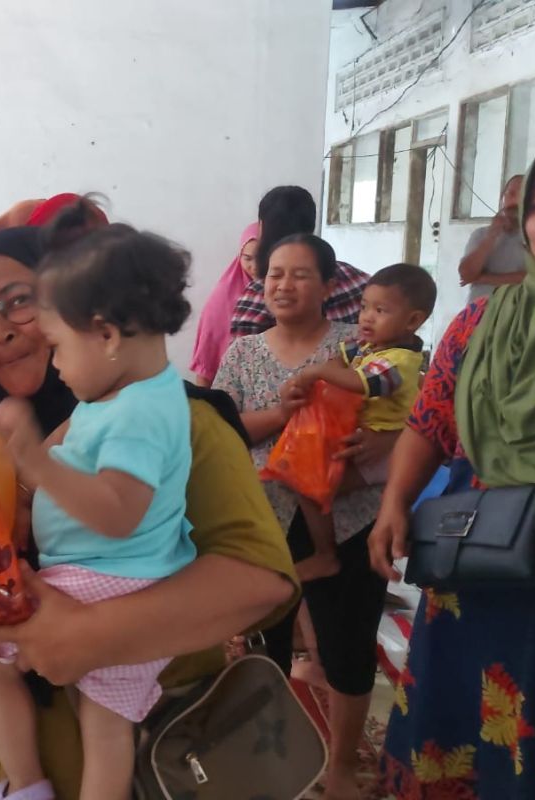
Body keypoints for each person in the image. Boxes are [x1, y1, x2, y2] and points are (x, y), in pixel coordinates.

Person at [0, 210, 299, 800]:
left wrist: (90, 634)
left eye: (20, 303)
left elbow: (263, 581)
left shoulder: (178, 420)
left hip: (130, 756)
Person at [0, 211, 197, 800]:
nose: (53, 364)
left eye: (56, 347)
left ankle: (26, 788)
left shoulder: (138, 414)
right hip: (118, 581)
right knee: (102, 727)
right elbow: (75, 452)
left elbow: (118, 512)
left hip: (107, 584)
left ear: (104, 334)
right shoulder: (128, 393)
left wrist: (36, 464)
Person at [372, 155, 535, 799]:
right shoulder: (479, 324)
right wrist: (393, 502)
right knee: (466, 723)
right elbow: (427, 425)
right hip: (481, 561)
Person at [213, 233, 385, 800]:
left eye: (299, 274)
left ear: (330, 284)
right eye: (274, 275)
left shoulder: (356, 349)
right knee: (266, 651)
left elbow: (401, 415)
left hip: (347, 516)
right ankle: (271, 766)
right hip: (262, 519)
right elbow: (222, 430)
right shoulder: (242, 352)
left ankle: (338, 769)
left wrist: (373, 444)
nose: (283, 285)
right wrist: (278, 415)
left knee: (347, 649)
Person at [283, 263, 435, 581]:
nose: (367, 317)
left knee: (311, 485)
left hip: (385, 452)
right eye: (365, 307)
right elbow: (341, 355)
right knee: (307, 478)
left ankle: (326, 555)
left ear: (413, 321)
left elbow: (362, 382)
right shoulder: (370, 345)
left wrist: (317, 373)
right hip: (369, 439)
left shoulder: (400, 362)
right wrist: (317, 373)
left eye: (380, 310)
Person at [231, 186, 369, 338]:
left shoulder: (261, 293)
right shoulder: (359, 281)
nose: (284, 286)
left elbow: (241, 351)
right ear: (312, 225)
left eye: (300, 276)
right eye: (277, 274)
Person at [190, 222, 259, 387]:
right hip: (226, 389)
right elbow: (207, 358)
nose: (254, 266)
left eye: (261, 258)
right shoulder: (222, 297)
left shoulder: (272, 292)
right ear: (239, 256)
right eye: (247, 258)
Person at [458, 173, 528, 302]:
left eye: (523, 195)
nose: (516, 201)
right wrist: (491, 236)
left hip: (517, 317)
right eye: (511, 194)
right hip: (479, 315)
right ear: (502, 198)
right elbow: (466, 274)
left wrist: (482, 278)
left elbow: (530, 278)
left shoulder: (532, 238)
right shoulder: (481, 234)